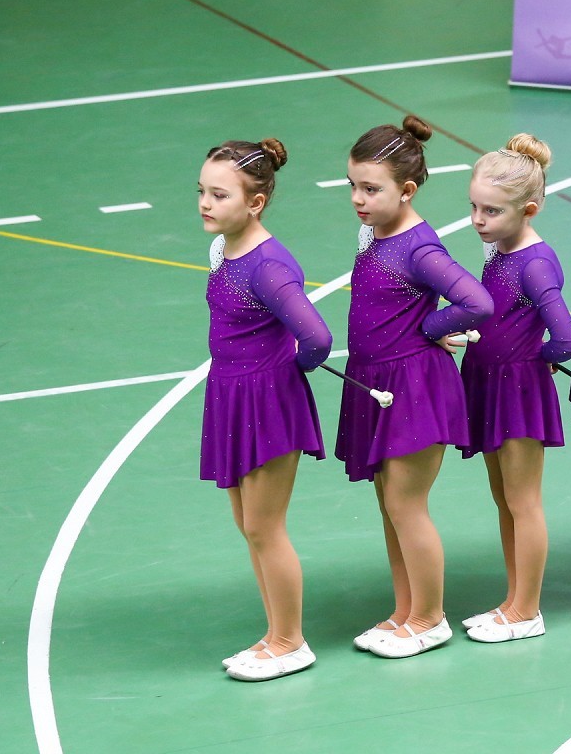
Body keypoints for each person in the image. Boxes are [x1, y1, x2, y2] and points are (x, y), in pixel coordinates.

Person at [336, 117, 493, 657]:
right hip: (375, 381)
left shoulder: (420, 249)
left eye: (370, 189)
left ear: (406, 190)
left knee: (406, 504)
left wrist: (429, 327)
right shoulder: (372, 235)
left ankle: (429, 618)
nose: (357, 199)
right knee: (389, 504)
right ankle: (404, 611)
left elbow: (476, 302)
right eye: (353, 186)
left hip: (414, 387)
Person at [198, 138, 332, 682]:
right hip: (230, 395)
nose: (205, 203)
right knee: (248, 525)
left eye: (219, 195)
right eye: (202, 191)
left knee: (264, 526)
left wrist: (282, 374)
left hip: (267, 402)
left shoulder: (269, 267)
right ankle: (274, 633)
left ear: (255, 203)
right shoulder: (223, 251)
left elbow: (317, 338)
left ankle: (291, 642)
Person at [458, 134, 571, 643]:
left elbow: (566, 339)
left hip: (517, 391)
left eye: (491, 211)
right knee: (504, 498)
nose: (478, 220)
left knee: (523, 501)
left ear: (529, 209)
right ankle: (512, 600)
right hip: (488, 383)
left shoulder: (535, 262)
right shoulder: (498, 250)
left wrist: (534, 363)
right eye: (474, 207)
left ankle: (527, 610)